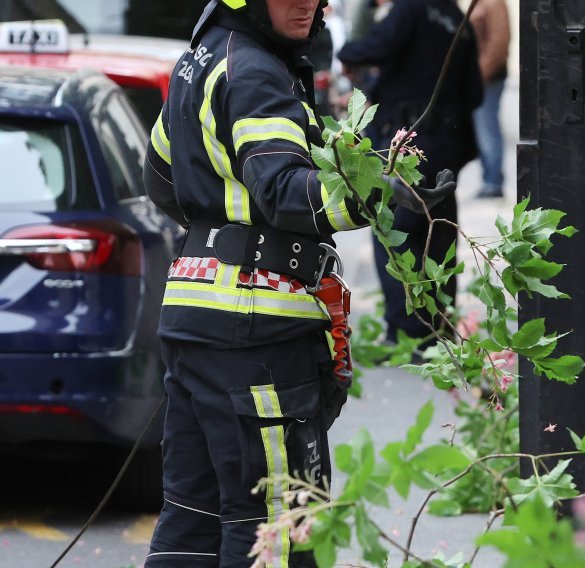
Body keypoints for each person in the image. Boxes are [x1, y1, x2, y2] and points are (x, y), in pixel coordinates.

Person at [141, 0, 455, 566]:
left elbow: (161, 175)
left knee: (193, 527)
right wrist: (379, 189)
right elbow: (285, 190)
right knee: (281, 529)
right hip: (255, 340)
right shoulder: (258, 70)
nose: (308, 0)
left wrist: (221, 223)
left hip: (196, 321)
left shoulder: (201, 59)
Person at [337, 0, 483, 349]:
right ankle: (437, 327)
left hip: (409, 137)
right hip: (447, 139)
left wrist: (351, 44)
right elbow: (474, 92)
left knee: (396, 232)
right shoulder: (457, 19)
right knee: (440, 232)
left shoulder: (410, 7)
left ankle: (406, 333)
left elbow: (372, 47)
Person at [470, 0, 511, 199]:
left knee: (487, 128)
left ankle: (492, 181)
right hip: (481, 76)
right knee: (484, 128)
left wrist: (480, 75)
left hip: (488, 78)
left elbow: (498, 42)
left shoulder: (493, 3)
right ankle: (490, 178)